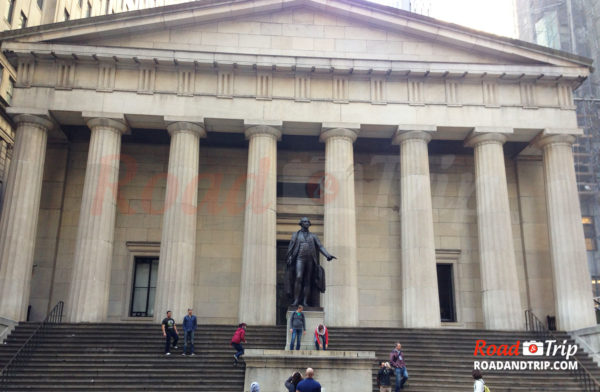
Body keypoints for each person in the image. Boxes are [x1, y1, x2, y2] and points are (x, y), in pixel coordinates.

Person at [285, 217, 336, 307]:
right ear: (301, 224)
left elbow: (320, 246)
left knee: (307, 280)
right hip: (299, 259)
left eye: (308, 222)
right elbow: (291, 247)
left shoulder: (313, 236)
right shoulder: (296, 235)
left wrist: (327, 255)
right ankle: (296, 300)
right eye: (305, 222)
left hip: (310, 260)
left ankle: (305, 301)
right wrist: (289, 257)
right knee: (299, 277)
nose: (307, 223)